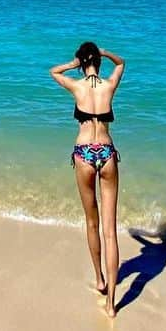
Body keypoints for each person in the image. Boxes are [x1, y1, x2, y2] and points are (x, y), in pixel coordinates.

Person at [49, 41, 125, 317]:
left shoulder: (77, 87)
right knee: (109, 230)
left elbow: (53, 72)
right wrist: (106, 53)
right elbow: (122, 64)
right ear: (99, 62)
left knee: (92, 223)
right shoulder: (108, 86)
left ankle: (100, 279)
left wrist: (72, 64)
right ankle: (111, 304)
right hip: (106, 153)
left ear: (81, 62)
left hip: (83, 154)